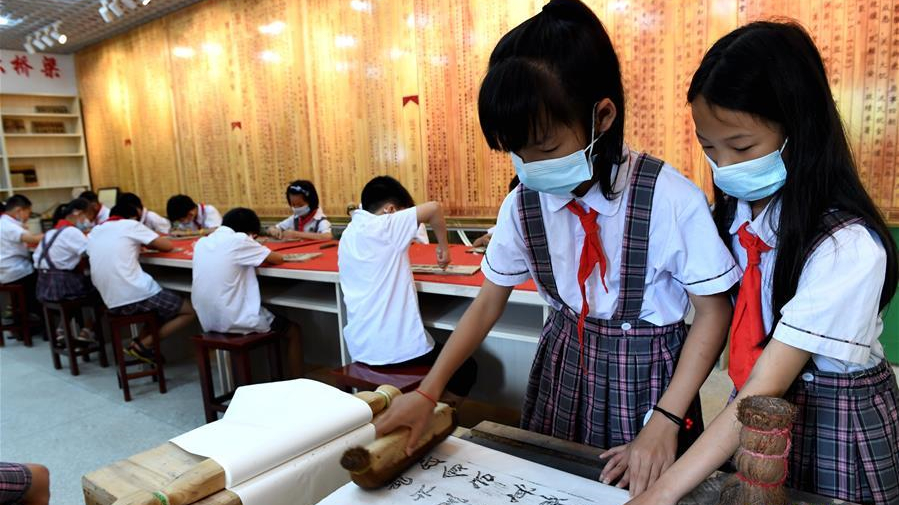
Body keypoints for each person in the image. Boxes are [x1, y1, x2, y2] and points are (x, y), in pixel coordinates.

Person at [375, 1, 740, 497]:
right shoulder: (523, 203)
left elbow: (714, 312)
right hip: (562, 367)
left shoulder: (667, 198)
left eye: (546, 149)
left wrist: (666, 420)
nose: (531, 168)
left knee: (638, 492)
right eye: (517, 153)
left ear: (602, 116)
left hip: (651, 384)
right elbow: (488, 302)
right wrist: (428, 392)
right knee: (551, 487)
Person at [628, 21, 899, 505]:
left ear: (799, 129)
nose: (725, 166)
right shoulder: (734, 219)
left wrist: (661, 493)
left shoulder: (848, 248)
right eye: (709, 147)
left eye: (742, 147)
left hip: (833, 426)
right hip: (754, 424)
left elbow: (765, 383)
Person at [338, 176, 477, 402]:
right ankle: (430, 413)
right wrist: (443, 248)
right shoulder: (386, 224)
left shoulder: (349, 232)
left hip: (360, 347)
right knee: (466, 368)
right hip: (394, 352)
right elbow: (434, 208)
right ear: (391, 209)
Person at [192, 207, 305, 377]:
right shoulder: (240, 240)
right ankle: (299, 383)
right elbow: (277, 258)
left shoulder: (202, 242)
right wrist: (255, 244)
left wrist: (253, 245)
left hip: (207, 320)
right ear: (250, 232)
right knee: (293, 330)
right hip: (236, 320)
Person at [87, 203, 196, 363]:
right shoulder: (130, 225)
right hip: (134, 294)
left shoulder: (95, 231)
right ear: (134, 216)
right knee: (189, 310)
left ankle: (139, 343)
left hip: (109, 300)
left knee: (159, 310)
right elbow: (166, 246)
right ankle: (143, 345)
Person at [33, 198, 97, 343]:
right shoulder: (72, 232)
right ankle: (88, 331)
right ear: (78, 213)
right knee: (101, 292)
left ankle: (62, 329)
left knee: (76, 297)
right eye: (87, 216)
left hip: (44, 286)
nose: (88, 221)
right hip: (63, 286)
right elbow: (91, 251)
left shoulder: (50, 232)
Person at [0, 195, 44, 320]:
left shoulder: (5, 222)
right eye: (28, 213)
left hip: (6, 270)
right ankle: (41, 320)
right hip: (16, 271)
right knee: (44, 280)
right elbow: (32, 239)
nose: (28, 217)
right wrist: (55, 233)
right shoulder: (8, 225)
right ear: (19, 210)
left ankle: (25, 313)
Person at [266, 180, 332, 240]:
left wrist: (296, 234)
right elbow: (273, 228)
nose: (296, 208)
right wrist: (273, 230)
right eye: (293, 204)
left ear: (311, 202)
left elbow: (327, 236)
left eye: (300, 205)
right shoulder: (295, 218)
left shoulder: (320, 220)